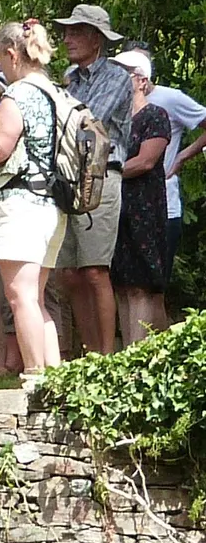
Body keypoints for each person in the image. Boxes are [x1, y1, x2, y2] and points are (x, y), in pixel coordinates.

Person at [0, 20, 68, 391]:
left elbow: (0, 148)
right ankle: (56, 382)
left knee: (20, 297)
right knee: (35, 298)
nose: (0, 69)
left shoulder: (18, 95)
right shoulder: (56, 92)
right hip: (52, 205)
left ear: (12, 53)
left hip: (20, 205)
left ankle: (36, 380)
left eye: (1, 61)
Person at [53, 2, 132, 356]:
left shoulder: (116, 77)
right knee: (69, 273)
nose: (67, 38)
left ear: (97, 38)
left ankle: (106, 357)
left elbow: (86, 120)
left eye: (76, 31)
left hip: (100, 177)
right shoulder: (71, 78)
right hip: (70, 179)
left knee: (96, 270)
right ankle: (89, 355)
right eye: (67, 31)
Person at [125, 45, 206, 277]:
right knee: (125, 284)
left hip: (162, 203)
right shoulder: (118, 102)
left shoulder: (169, 99)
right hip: (124, 202)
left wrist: (182, 156)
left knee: (152, 286)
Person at [109, 50, 172, 344]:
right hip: (114, 207)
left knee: (141, 285)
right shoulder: (111, 119)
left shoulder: (155, 116)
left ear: (141, 80)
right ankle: (128, 356)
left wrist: (106, 171)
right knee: (120, 284)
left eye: (124, 72)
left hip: (143, 210)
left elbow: (146, 161)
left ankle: (142, 355)